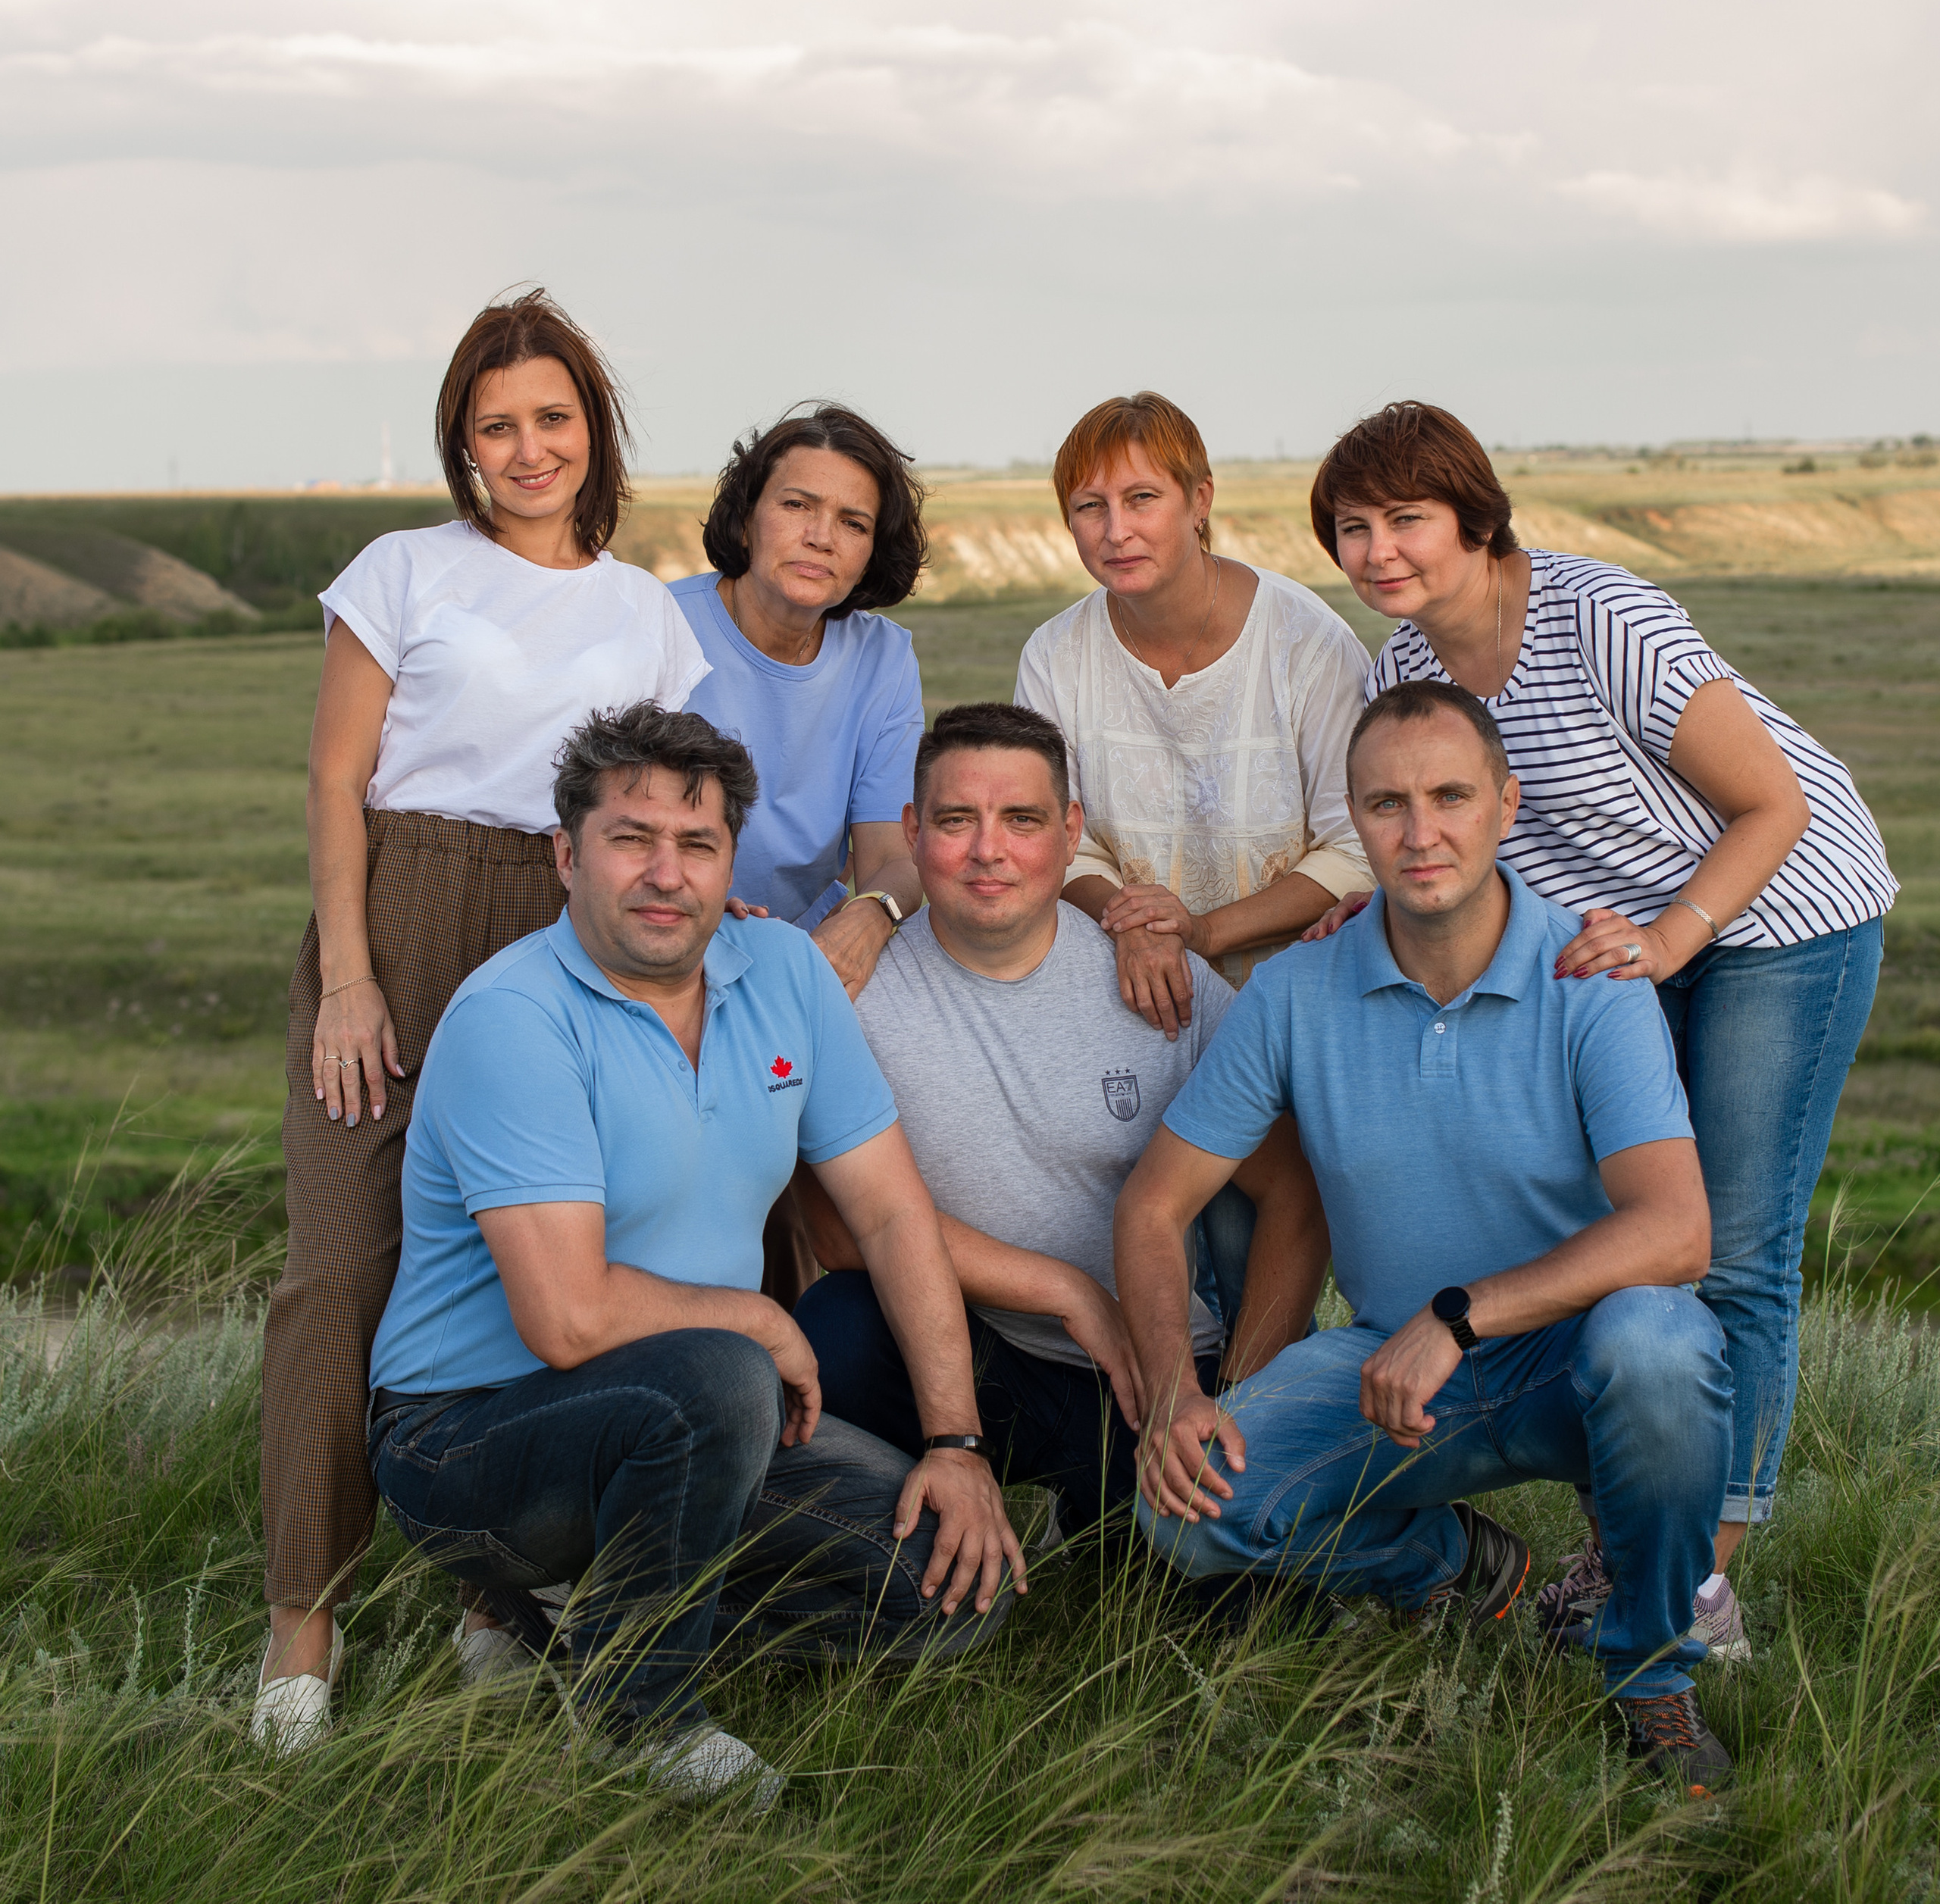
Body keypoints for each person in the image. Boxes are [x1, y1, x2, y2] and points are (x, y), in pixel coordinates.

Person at [1303, 401, 1895, 1654]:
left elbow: (1773, 804)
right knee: (1620, 1238)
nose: (1378, 551)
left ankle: (1694, 1591)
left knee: (1734, 1246)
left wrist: (1673, 943)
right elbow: (1449, 833)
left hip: (1781, 914)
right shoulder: (1401, 672)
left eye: (1406, 519)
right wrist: (1369, 911)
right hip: (1621, 940)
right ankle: (1632, 1537)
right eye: (1352, 528)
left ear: (1474, 515)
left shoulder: (1597, 618)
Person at [365, 702, 1024, 1806]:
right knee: (722, 1369)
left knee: (953, 1586)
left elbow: (892, 1216)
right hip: (467, 1444)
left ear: (730, 863)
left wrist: (955, 1441)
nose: (666, 875)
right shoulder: (513, 1019)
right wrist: (760, 1319)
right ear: (566, 855)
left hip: (694, 1427)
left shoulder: (786, 972)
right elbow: (567, 1319)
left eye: (697, 844)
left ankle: (568, 1623)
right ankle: (640, 1716)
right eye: (631, 840)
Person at [1122, 681, 1738, 1796]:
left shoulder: (1592, 979)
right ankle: (1453, 1560)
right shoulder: (1295, 990)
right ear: (1354, 821)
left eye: (1451, 797)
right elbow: (1155, 1205)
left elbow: (1677, 1231)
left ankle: (1648, 1669)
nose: (1421, 833)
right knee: (1183, 1514)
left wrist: (1460, 1317)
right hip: (1388, 1378)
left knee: (1660, 1343)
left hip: (1569, 1361)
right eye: (1387, 804)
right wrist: (1173, 1387)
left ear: (1506, 804)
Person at [254, 291, 710, 1753]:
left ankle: (497, 1606)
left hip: (569, 929)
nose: (528, 449)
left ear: (596, 432)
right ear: (461, 440)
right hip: (404, 910)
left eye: (553, 419)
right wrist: (350, 976)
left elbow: (665, 810)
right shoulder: (403, 570)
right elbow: (335, 780)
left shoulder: (645, 611)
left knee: (541, 1263)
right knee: (342, 1271)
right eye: (496, 424)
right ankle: (302, 1627)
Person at [790, 703, 1324, 1541]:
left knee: (1216, 1562)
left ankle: (1108, 1513)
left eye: (1022, 820)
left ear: (1071, 831)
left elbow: (1293, 1191)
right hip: (967, 1346)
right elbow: (837, 1229)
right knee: (836, 1330)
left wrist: (1239, 1401)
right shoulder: (852, 990)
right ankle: (917, 1522)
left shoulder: (1159, 982)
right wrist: (1063, 1290)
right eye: (956, 820)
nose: (988, 849)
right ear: (913, 830)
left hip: (1148, 1369)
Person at [1014, 391, 1372, 1057]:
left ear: (1200, 499)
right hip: (1130, 1000)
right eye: (1090, 506)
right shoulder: (1055, 655)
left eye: (1142, 498)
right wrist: (1138, 928)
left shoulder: (1308, 644)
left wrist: (1201, 932)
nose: (1116, 531)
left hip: (1300, 1006)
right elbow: (1055, 838)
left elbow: (1359, 848)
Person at [670, 403, 930, 1305]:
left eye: (852, 522)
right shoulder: (662, 629)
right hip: (673, 946)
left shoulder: (882, 657)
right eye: (797, 505)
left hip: (806, 956)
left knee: (849, 1198)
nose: (821, 536)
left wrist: (874, 911)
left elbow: (893, 854)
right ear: (747, 515)